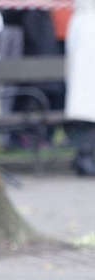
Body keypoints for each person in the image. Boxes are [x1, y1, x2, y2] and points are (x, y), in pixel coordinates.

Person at [64, 0, 95, 176]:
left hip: (86, 29)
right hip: (88, 34)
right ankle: (84, 155)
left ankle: (85, 155)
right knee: (86, 101)